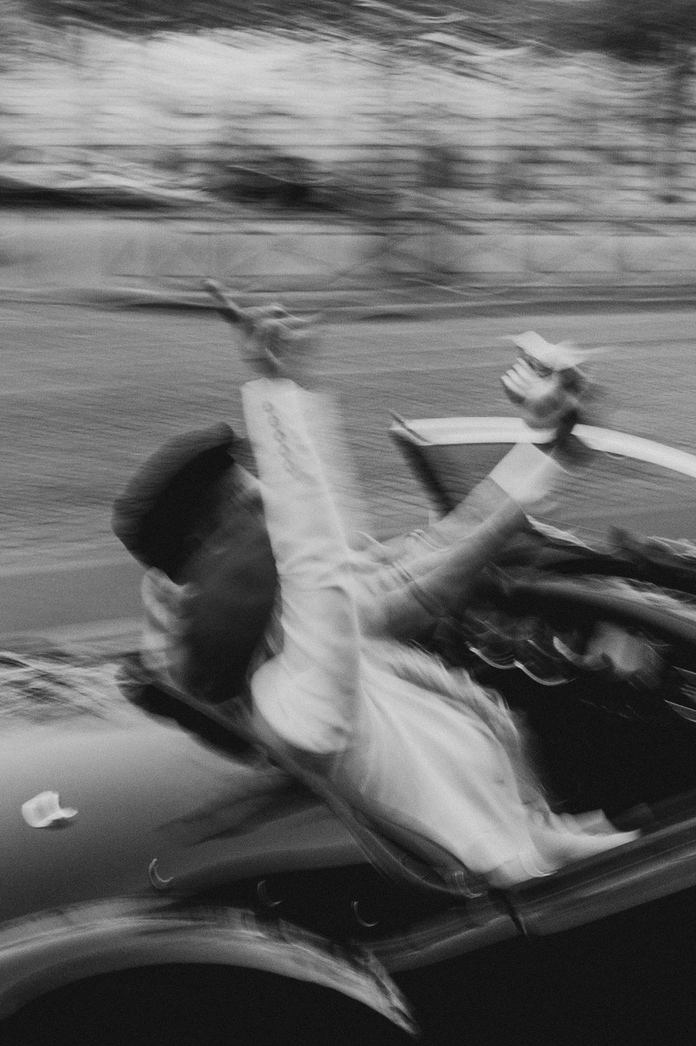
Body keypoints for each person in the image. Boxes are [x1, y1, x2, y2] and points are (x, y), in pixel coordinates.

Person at [112, 298, 634, 886]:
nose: (270, 506)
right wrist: (280, 391)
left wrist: (550, 449)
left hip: (530, 853)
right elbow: (319, 555)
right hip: (517, 897)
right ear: (218, 546)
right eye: (256, 503)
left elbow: (426, 558)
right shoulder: (299, 698)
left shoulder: (284, 649)